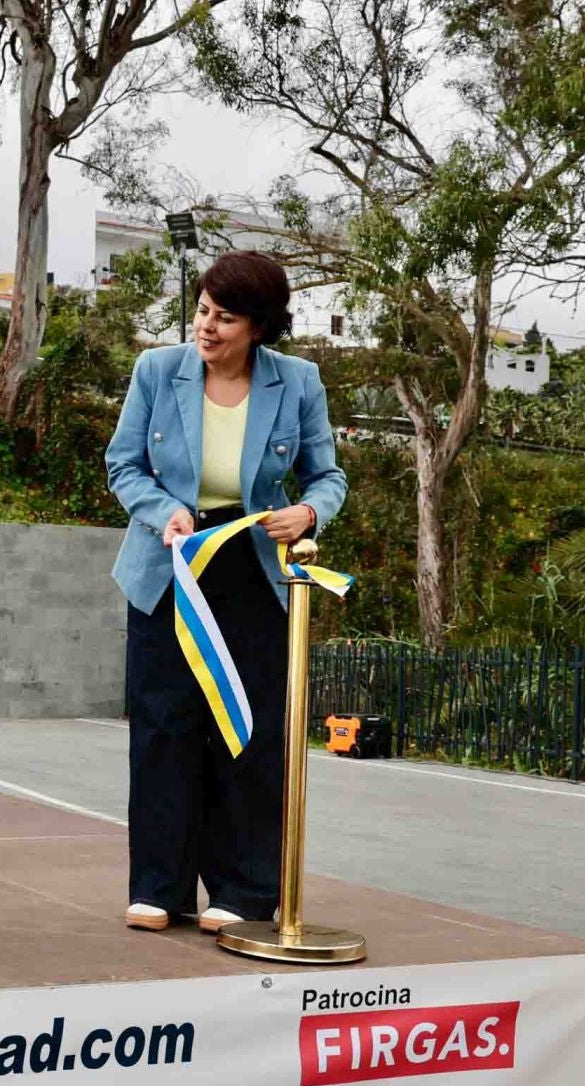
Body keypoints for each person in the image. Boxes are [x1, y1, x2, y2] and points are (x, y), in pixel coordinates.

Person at [104, 250, 347, 934]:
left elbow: (328, 477)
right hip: (169, 566)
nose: (206, 326)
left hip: (253, 570)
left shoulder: (298, 383)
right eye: (204, 310)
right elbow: (123, 465)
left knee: (247, 730)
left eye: (225, 317)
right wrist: (161, 513)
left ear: (261, 327)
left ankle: (243, 892)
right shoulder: (157, 370)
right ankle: (160, 887)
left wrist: (309, 512)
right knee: (163, 724)